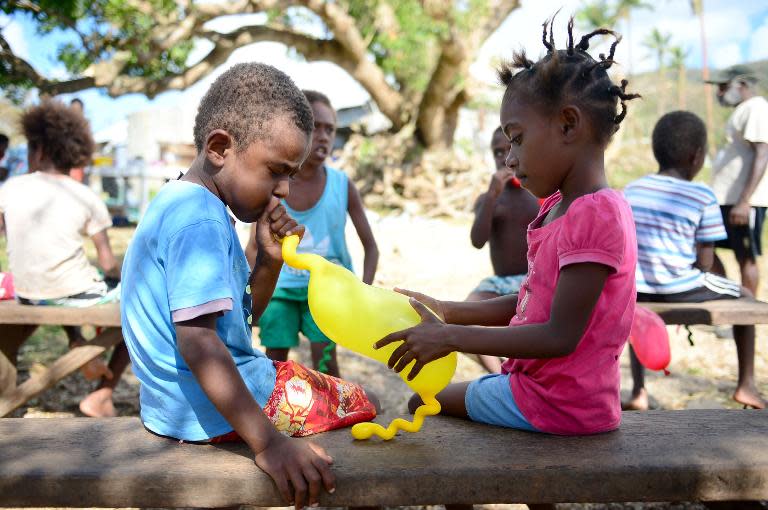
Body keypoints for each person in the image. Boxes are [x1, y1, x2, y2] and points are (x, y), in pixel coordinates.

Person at [120, 63, 379, 510]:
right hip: (213, 407)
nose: (282, 189)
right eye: (276, 170)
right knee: (364, 400)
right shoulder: (200, 219)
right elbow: (200, 344)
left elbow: (238, 326)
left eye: (292, 176)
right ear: (220, 147)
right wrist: (270, 445)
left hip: (172, 406)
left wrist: (268, 262)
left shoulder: (182, 201)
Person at [374, 17, 639, 440]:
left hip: (556, 403)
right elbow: (532, 299)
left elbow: (559, 335)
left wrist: (452, 337)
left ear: (568, 125)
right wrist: (446, 309)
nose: (510, 158)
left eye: (516, 139)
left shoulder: (596, 213)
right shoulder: (562, 207)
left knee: (419, 402)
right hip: (552, 395)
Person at [623, 111, 765, 410]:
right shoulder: (702, 194)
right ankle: (747, 385)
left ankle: (638, 390)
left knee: (639, 317)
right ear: (696, 156)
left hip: (636, 289)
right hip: (680, 286)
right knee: (746, 297)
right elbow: (704, 262)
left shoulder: (632, 190)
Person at [0, 99, 128, 417]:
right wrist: (123, 275)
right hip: (73, 293)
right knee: (145, 308)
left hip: (29, 292)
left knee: (62, 287)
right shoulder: (84, 195)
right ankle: (101, 394)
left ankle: (75, 346)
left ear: (39, 151)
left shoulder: (10, 188)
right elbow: (109, 263)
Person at [245, 90, 379, 378]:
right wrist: (244, 299)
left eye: (330, 129)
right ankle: (276, 415)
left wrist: (363, 294)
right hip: (278, 291)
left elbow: (371, 247)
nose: (323, 136)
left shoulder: (343, 185)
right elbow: (253, 249)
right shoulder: (274, 187)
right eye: (315, 126)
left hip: (328, 292)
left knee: (326, 365)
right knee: (275, 363)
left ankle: (338, 415)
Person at [468, 126, 540, 373]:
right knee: (468, 316)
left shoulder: (539, 194)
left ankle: (514, 375)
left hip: (533, 280)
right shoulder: (490, 199)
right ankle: (499, 374)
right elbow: (477, 240)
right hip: (499, 284)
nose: (504, 157)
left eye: (510, 148)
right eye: (497, 152)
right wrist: (490, 196)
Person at [705, 65, 768, 297]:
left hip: (742, 201)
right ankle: (728, 300)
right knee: (704, 248)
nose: (719, 93)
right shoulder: (742, 111)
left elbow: (763, 153)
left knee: (746, 257)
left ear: (740, 84)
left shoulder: (757, 108)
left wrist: (744, 201)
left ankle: (745, 314)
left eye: (722, 87)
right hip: (725, 199)